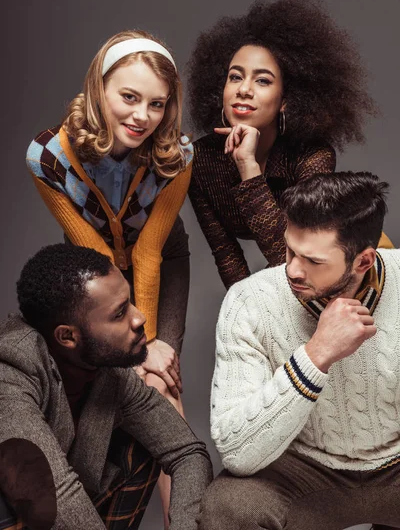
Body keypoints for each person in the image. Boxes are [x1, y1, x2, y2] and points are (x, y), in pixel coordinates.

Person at [26, 31, 192, 526]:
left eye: (157, 104)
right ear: (99, 89)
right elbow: (93, 249)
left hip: (160, 262)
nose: (143, 116)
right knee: (96, 386)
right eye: (129, 97)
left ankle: (184, 521)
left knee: (161, 383)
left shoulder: (177, 156)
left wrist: (150, 343)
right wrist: (133, 345)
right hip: (92, 272)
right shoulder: (47, 157)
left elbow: (150, 249)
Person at [199, 171, 400, 530]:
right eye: (290, 249)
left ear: (364, 261)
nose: (291, 269)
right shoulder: (250, 300)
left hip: (396, 465)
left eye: (313, 261)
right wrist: (315, 356)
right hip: (303, 472)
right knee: (230, 508)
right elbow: (237, 453)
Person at [0, 243, 212, 530]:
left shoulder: (108, 367)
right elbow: (51, 494)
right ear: (67, 336)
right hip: (25, 509)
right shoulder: (11, 367)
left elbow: (187, 452)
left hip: (69, 505)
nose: (140, 318)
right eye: (119, 313)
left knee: (140, 447)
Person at [187, 0, 391, 289]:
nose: (244, 89)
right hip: (306, 279)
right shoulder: (203, 159)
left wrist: (248, 167)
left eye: (263, 81)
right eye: (235, 77)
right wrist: (247, 309)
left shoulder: (312, 156)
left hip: (352, 270)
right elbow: (225, 253)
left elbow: (293, 260)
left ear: (285, 101)